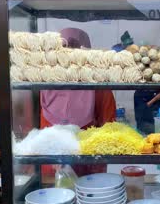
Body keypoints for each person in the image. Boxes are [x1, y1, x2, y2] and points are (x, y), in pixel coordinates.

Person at [40, 28, 116, 177]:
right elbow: (109, 126)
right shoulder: (98, 84)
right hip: (77, 165)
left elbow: (108, 127)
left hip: (69, 164)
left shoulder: (43, 82)